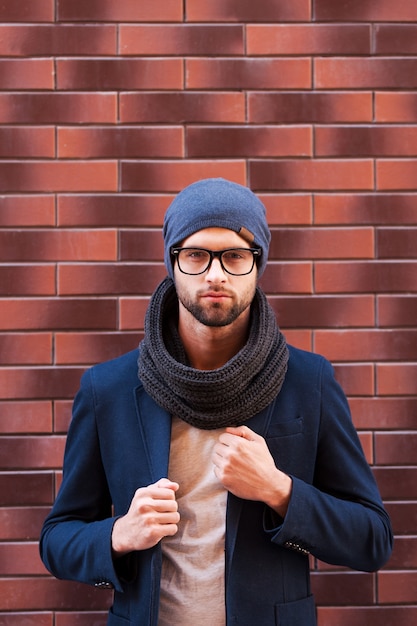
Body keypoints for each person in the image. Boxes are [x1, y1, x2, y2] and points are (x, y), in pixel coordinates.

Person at [40, 178, 393, 626]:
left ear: (258, 264)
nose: (215, 274)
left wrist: (278, 491)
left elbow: (372, 540)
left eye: (234, 256)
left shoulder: (308, 381)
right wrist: (119, 534)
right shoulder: (107, 389)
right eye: (195, 255)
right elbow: (57, 540)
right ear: (172, 263)